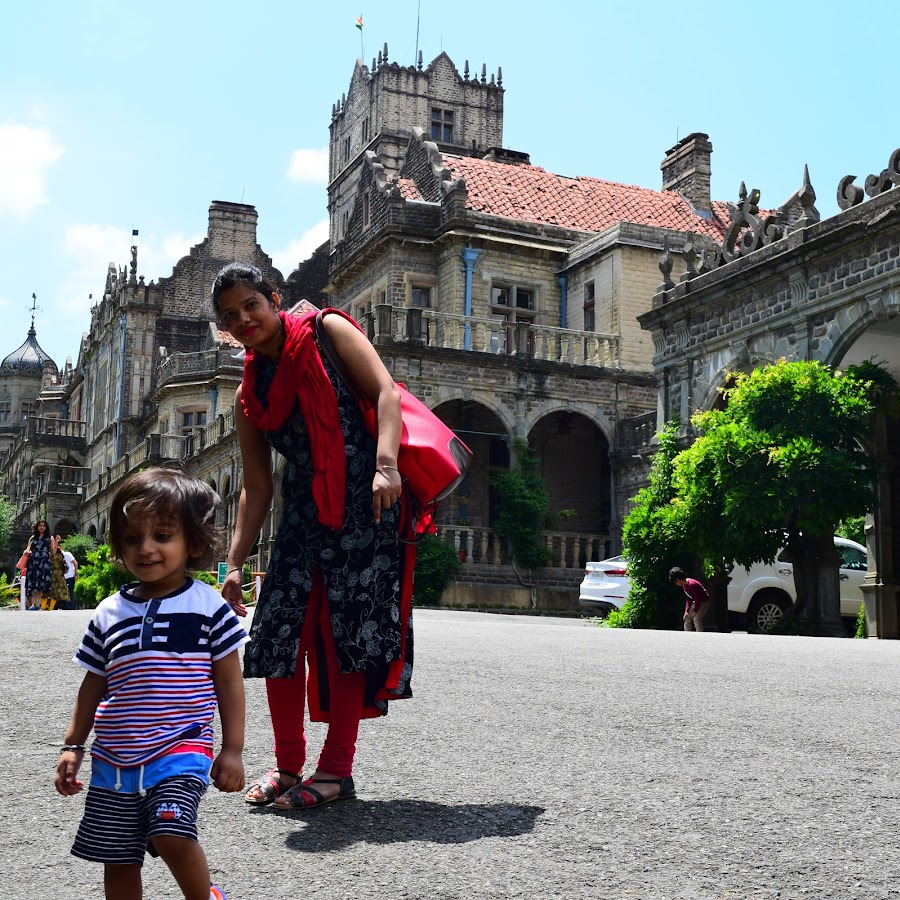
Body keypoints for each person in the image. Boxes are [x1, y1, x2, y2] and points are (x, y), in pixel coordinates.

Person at [213, 262, 415, 811]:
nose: (244, 318)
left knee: (348, 637)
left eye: (251, 304)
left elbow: (386, 393)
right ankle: (286, 765)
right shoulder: (249, 394)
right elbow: (256, 488)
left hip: (367, 502)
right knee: (279, 634)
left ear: (273, 298)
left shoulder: (328, 331)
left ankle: (335, 770)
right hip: (303, 514)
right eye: (230, 315)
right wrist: (234, 563)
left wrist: (387, 466)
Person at [54, 467, 247, 900]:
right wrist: (72, 745)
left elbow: (230, 683)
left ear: (193, 542)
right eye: (132, 538)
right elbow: (93, 683)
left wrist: (232, 749)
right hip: (114, 757)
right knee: (118, 857)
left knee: (171, 831)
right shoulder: (108, 612)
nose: (145, 548)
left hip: (181, 747)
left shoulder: (208, 607)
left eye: (162, 535)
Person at [23, 519, 55, 610]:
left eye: (44, 526)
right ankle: (35, 604)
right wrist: (26, 551)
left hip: (44, 562)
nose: (42, 527)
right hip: (34, 562)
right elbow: (28, 548)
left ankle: (37, 604)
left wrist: (56, 542)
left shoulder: (50, 538)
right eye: (40, 525)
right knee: (33, 583)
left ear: (46, 527)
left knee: (41, 583)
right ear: (37, 527)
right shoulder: (33, 538)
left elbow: (53, 552)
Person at [670, 567, 711, 632]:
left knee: (696, 618)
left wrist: (695, 611)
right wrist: (686, 611)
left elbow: (698, 599)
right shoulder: (684, 585)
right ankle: (687, 634)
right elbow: (688, 599)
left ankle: (700, 635)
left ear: (678, 580)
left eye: (675, 582)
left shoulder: (692, 584)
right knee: (687, 618)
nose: (676, 584)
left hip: (704, 602)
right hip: (696, 602)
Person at [49, 537, 69, 611]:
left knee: (57, 591)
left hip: (58, 573)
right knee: (54, 591)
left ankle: (53, 607)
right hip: (54, 573)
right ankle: (51, 607)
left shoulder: (60, 553)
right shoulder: (51, 553)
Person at [62, 542, 79, 609]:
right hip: (62, 577)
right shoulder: (56, 556)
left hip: (69, 576)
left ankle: (70, 607)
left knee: (70, 591)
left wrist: (76, 573)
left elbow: (75, 563)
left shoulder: (67, 554)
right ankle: (64, 606)